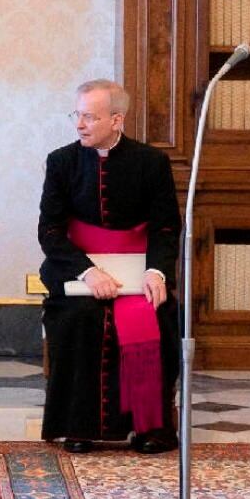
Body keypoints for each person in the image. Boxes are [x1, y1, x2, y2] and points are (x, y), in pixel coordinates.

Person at [38, 79, 180, 453]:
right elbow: (50, 231)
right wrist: (88, 270)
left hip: (138, 268)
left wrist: (156, 271)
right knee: (81, 316)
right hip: (76, 269)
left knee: (156, 314)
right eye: (77, 115)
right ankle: (78, 427)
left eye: (89, 117)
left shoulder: (152, 163)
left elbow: (166, 227)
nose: (79, 125)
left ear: (116, 120)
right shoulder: (61, 162)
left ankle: (151, 428)